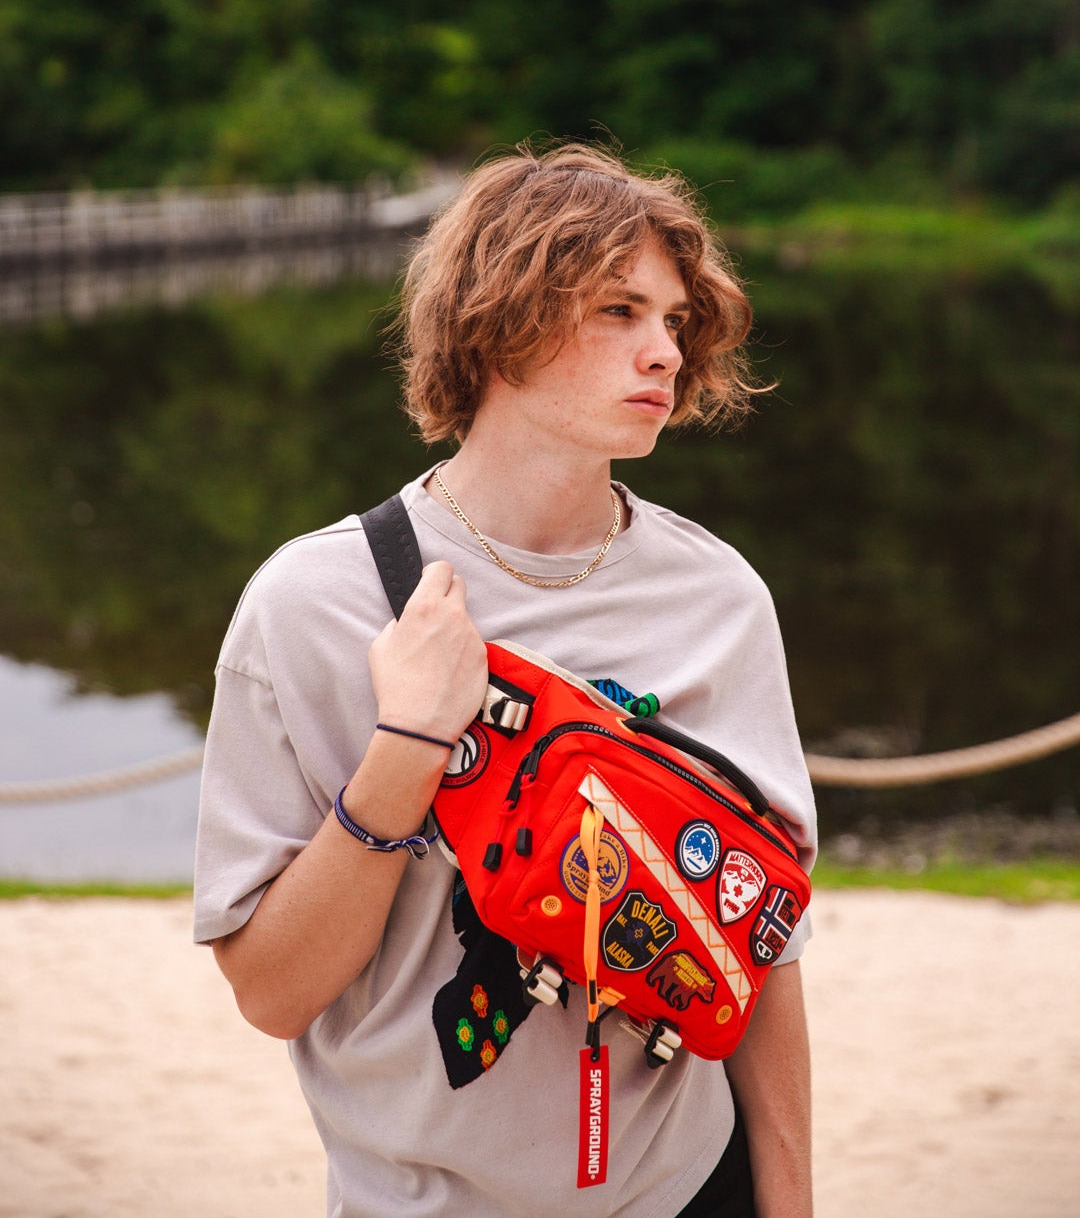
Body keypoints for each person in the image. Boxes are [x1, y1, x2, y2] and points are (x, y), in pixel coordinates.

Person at [194, 142, 817, 1217]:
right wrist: (409, 749)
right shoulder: (315, 603)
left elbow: (763, 949)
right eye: (619, 310)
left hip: (685, 1188)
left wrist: (791, 1202)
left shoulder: (719, 599)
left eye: (675, 320)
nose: (665, 351)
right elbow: (272, 993)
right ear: (499, 321)